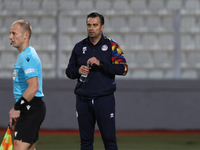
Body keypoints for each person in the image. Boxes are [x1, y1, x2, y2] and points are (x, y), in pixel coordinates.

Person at [66, 12, 128, 150]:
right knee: (86, 142)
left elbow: (123, 68)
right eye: (89, 25)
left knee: (109, 141)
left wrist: (100, 64)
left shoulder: (111, 45)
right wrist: (78, 71)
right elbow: (69, 71)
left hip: (104, 99)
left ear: (102, 27)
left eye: (95, 25)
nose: (91, 28)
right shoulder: (78, 47)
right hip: (83, 100)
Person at [8, 20, 46, 150]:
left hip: (31, 107)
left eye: (14, 33)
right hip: (30, 107)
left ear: (26, 35)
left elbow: (33, 87)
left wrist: (17, 108)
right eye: (10, 33)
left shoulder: (27, 57)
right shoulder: (25, 55)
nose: (10, 37)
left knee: (18, 146)